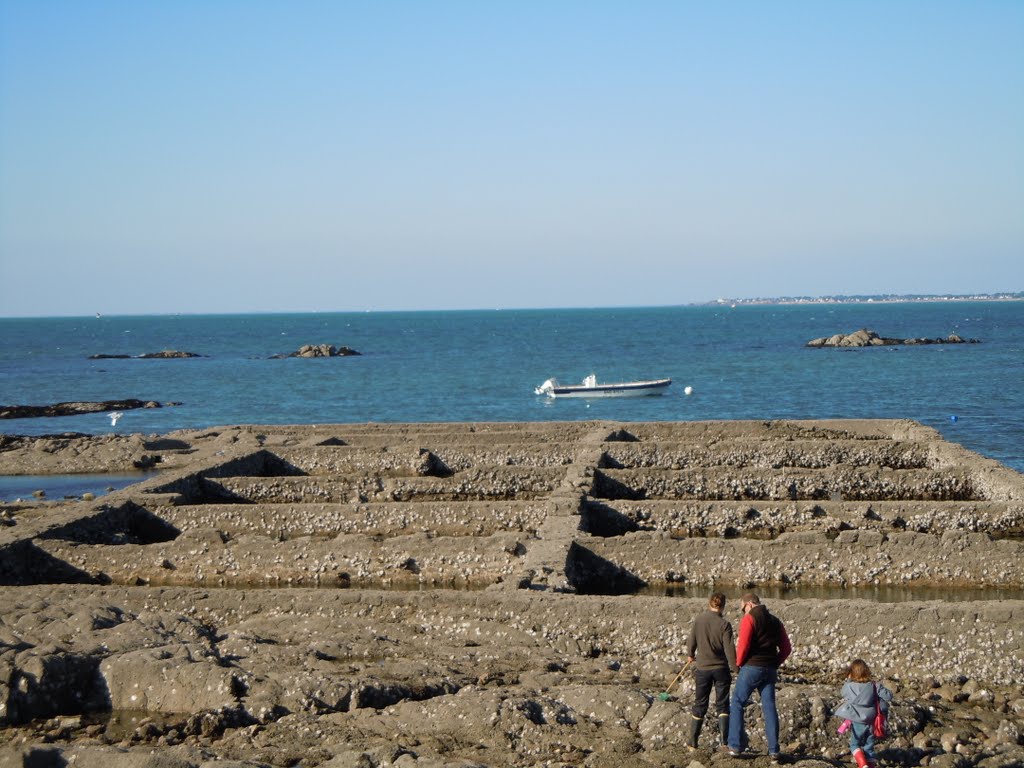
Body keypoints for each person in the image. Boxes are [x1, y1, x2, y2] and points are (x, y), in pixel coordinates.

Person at [723, 592, 792, 762]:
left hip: (752, 667)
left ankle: (734, 746)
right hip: (769, 669)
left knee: (738, 702)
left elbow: (744, 645)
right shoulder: (775, 621)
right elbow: (786, 648)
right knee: (769, 707)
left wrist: (738, 663)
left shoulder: (750, 618)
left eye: (742, 609)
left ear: (749, 604)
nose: (743, 612)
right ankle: (774, 750)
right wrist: (776, 662)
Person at [685, 591, 738, 749]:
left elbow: (691, 641)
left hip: (702, 668)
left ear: (709, 603)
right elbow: (730, 650)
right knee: (722, 704)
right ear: (723, 606)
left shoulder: (699, 620)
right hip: (721, 668)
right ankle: (724, 741)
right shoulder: (724, 625)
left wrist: (690, 654)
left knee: (700, 703)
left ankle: (693, 742)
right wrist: (736, 669)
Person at [834, 659, 892, 768]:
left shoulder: (848, 686)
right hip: (871, 719)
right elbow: (889, 696)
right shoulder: (874, 685)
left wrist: (848, 680)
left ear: (851, 672)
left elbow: (842, 693)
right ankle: (869, 765)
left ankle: (862, 764)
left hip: (856, 719)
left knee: (854, 744)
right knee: (869, 746)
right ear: (867, 671)